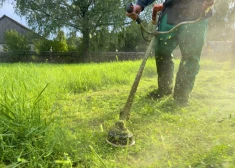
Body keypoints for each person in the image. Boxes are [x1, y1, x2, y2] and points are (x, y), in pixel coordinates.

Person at [126, 0, 215, 105]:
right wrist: (140, 4)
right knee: (162, 51)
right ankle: (164, 89)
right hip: (171, 11)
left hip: (197, 12)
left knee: (190, 56)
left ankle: (181, 97)